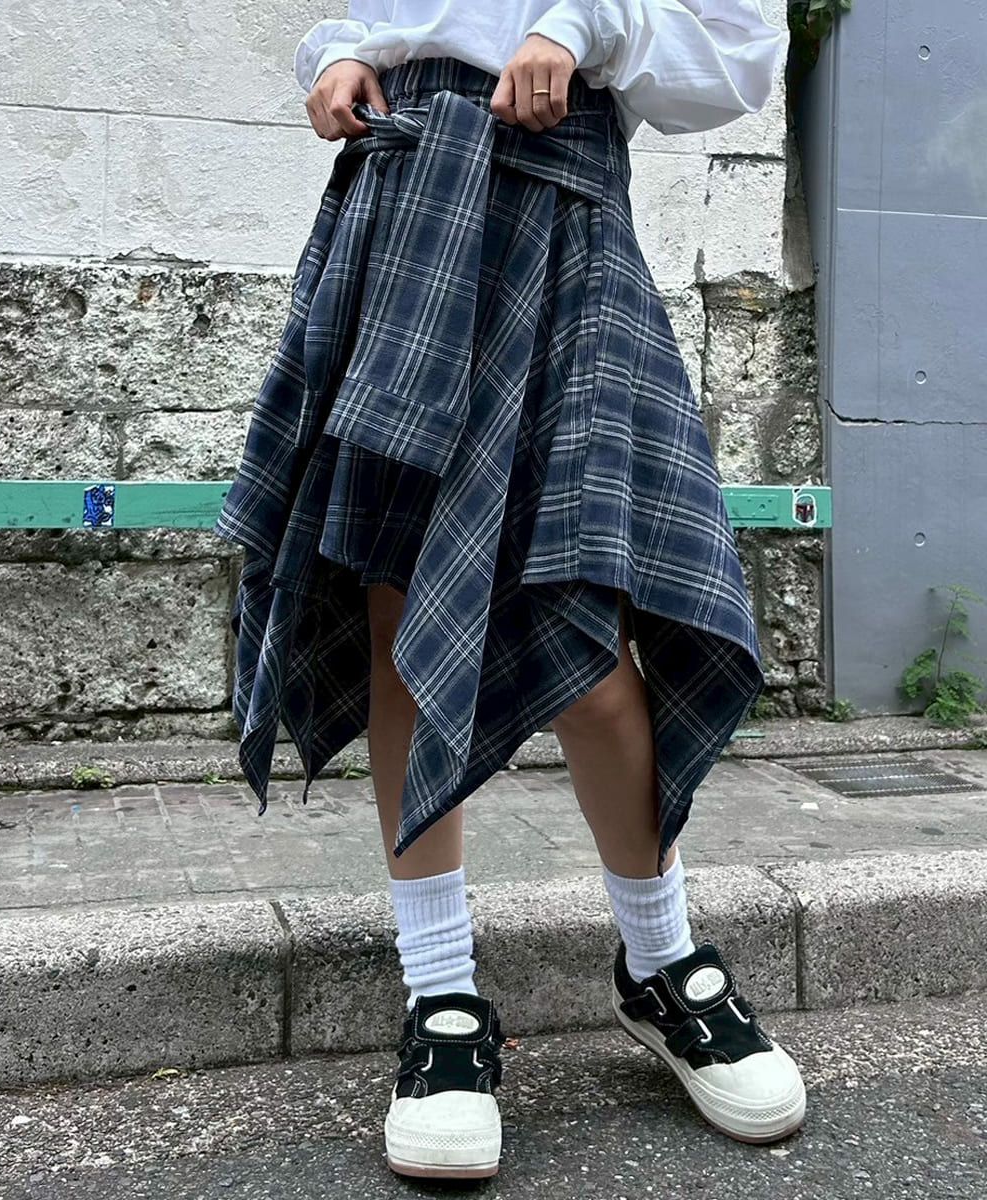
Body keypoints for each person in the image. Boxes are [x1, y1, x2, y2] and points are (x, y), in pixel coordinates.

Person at [214, 0, 804, 1180]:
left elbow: (738, 52)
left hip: (559, 207)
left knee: (586, 626)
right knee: (399, 608)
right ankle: (440, 996)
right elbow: (385, 18)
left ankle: (658, 960)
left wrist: (584, 26)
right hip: (400, 203)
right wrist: (338, 55)